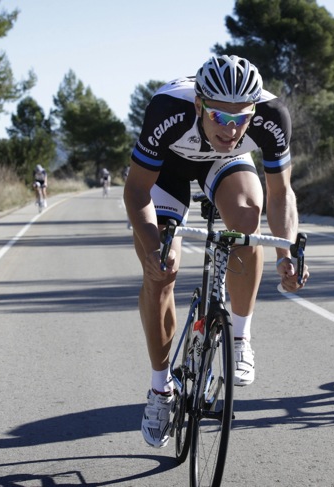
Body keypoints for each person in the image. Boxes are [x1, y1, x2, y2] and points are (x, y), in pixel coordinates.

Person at [124, 55, 309, 448]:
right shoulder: (168, 109)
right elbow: (136, 190)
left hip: (224, 166)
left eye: (242, 118)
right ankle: (160, 390)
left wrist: (286, 254)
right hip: (168, 171)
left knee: (247, 217)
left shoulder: (271, 115)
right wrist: (154, 247)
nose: (232, 128)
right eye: (221, 118)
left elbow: (280, 193)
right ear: (199, 106)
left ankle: (239, 337)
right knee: (162, 272)